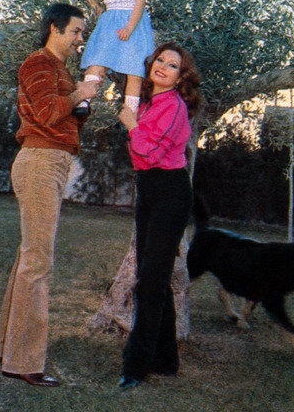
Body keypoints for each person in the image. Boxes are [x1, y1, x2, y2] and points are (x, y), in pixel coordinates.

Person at [0, 3, 99, 387]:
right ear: (54, 28)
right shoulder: (38, 64)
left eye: (82, 33)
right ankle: (25, 362)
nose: (79, 39)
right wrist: (79, 94)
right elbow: (47, 111)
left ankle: (8, 348)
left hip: (51, 161)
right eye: (75, 32)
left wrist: (81, 98)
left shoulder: (59, 70)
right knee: (39, 262)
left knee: (30, 257)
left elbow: (65, 115)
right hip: (40, 161)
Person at [117, 41, 202, 389]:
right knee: (153, 275)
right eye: (160, 60)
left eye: (173, 65)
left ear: (181, 78)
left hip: (170, 193)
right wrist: (136, 126)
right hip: (149, 190)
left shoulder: (175, 107)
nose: (163, 66)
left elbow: (148, 153)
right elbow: (140, 160)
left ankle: (135, 367)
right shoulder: (152, 105)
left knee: (150, 281)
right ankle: (167, 360)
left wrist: (132, 125)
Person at [74, 0, 154, 116]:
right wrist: (95, 6)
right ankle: (85, 101)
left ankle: (130, 111)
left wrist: (129, 28)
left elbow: (140, 4)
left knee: (134, 70)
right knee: (97, 61)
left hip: (134, 24)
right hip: (109, 24)